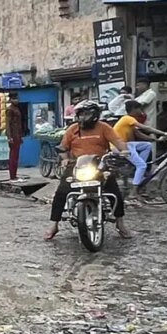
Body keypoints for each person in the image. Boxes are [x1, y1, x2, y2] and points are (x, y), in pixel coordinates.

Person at [45, 100, 131, 241]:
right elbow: (63, 148)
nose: (82, 117)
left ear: (94, 114)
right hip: (76, 166)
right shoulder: (72, 129)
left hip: (100, 165)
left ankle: (120, 223)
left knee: (114, 192)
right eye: (80, 114)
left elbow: (118, 142)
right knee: (61, 193)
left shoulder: (104, 127)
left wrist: (124, 151)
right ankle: (53, 225)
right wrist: (65, 159)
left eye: (85, 114)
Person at [113, 100, 167, 198]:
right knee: (142, 165)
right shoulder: (127, 118)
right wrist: (164, 133)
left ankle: (139, 170)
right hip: (120, 146)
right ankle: (133, 192)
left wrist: (156, 140)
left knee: (147, 145)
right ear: (134, 109)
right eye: (139, 108)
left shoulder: (129, 121)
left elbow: (139, 134)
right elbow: (146, 128)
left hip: (127, 144)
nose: (141, 111)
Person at [6, 92, 23, 181]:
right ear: (11, 99)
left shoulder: (16, 109)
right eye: (14, 99)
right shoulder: (10, 110)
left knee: (16, 156)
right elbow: (8, 124)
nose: (16, 100)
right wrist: (9, 137)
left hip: (17, 135)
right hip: (13, 136)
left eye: (17, 98)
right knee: (13, 156)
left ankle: (14, 175)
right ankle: (12, 175)